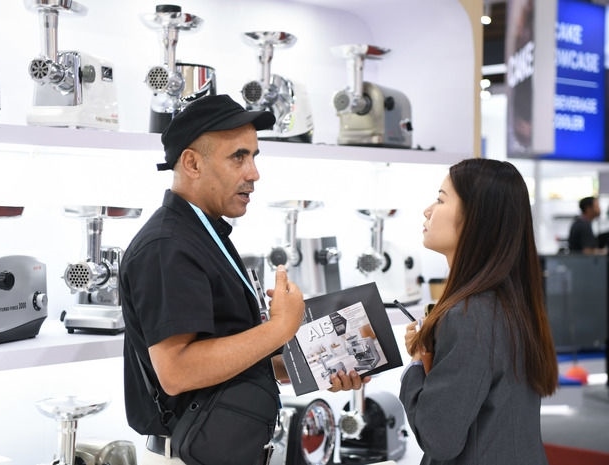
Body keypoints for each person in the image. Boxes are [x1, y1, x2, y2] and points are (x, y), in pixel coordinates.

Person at [119, 94, 369, 465]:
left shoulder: (204, 236)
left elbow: (226, 364)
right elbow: (178, 371)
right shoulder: (166, 246)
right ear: (192, 163)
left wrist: (320, 365)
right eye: (238, 157)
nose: (253, 173)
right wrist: (280, 327)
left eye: (253, 156)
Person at [400, 158, 558, 465]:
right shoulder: (511, 304)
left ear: (475, 217)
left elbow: (438, 439)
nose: (428, 211)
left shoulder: (468, 315)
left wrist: (416, 365)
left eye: (440, 199)